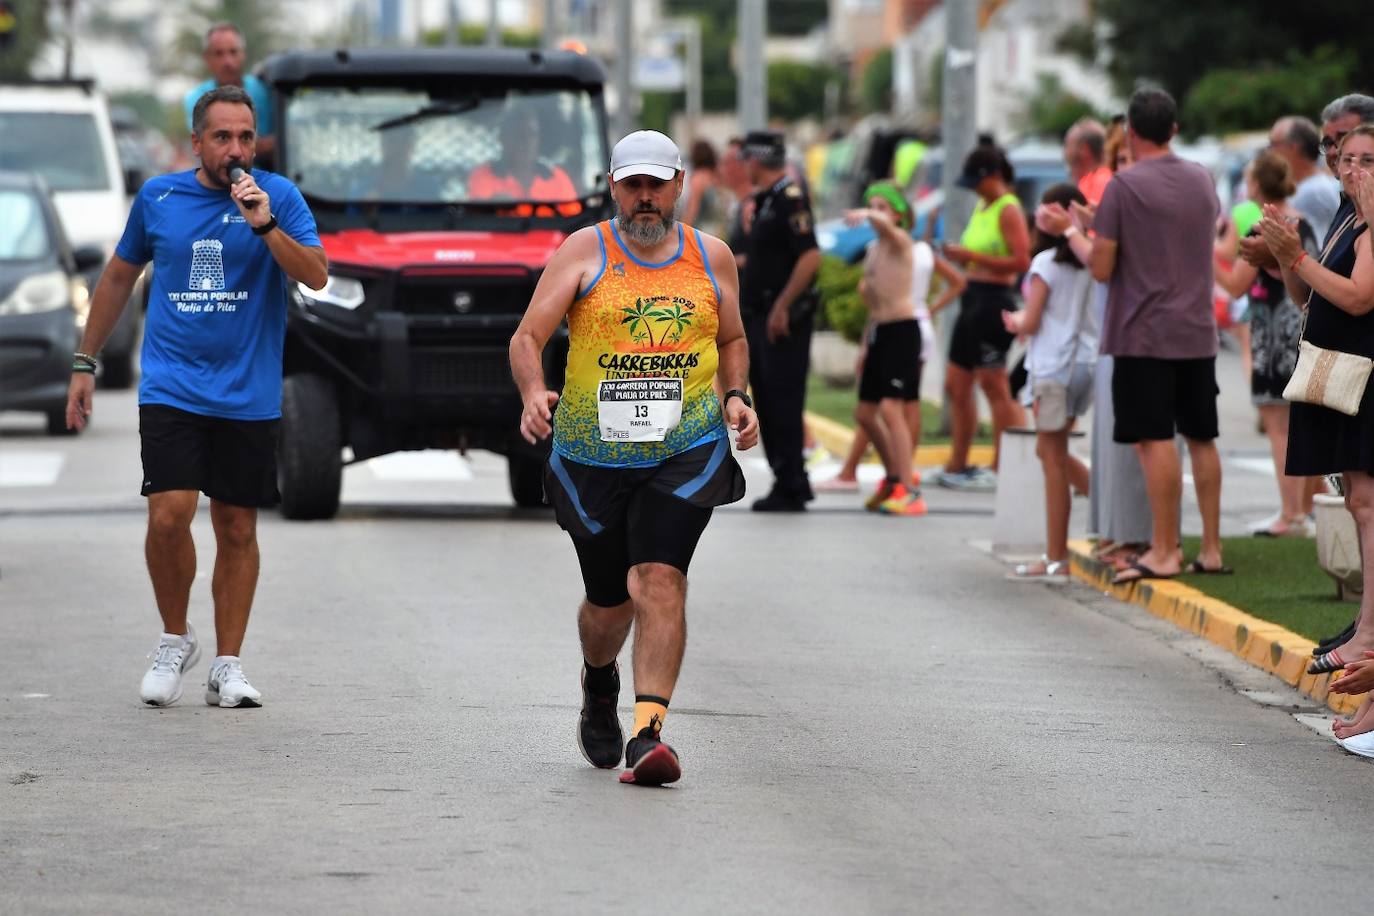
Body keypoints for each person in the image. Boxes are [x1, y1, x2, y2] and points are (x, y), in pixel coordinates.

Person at [508, 130, 758, 786]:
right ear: (614, 188)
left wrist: (736, 396)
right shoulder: (584, 251)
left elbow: (731, 336)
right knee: (608, 602)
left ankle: (648, 734)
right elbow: (529, 335)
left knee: (657, 579)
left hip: (685, 447)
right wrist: (535, 391)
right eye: (632, 185)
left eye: (657, 184)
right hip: (593, 454)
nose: (645, 198)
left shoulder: (713, 257)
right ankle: (598, 681)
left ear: (679, 185)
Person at [66, 86, 327, 707]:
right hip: (173, 384)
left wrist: (263, 224)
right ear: (197, 143)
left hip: (247, 390)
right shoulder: (159, 197)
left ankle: (227, 666)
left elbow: (316, 274)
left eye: (244, 137)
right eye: (221, 137)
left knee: (236, 526)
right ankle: (174, 637)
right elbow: (118, 279)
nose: (234, 149)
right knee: (169, 513)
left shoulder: (278, 198)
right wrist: (85, 360)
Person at [1089, 87, 1226, 585]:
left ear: (1130, 131)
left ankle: (1165, 549)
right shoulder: (1201, 179)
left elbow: (1102, 267)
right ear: (1173, 129)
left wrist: (1084, 239)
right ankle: (1209, 548)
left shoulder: (1122, 187)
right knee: (1201, 436)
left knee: (1154, 438)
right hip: (1197, 329)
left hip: (1142, 332)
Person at [1259, 126, 1374, 688]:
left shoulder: (1372, 223)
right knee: (1358, 499)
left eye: (1367, 160)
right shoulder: (1348, 217)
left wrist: (1296, 255)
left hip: (1366, 376)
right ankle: (1366, 627)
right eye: (1345, 158)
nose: (1352, 169)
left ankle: (1369, 632)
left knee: (1368, 501)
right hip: (1341, 376)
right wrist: (1286, 256)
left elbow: (1358, 296)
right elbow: (1309, 295)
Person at [1041, 119, 1150, 571]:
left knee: (1126, 444)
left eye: (1128, 158)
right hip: (1106, 342)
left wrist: (1071, 230)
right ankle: (1113, 530)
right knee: (1109, 443)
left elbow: (1104, 264)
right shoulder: (1114, 198)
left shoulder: (1130, 199)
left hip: (1119, 341)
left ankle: (1129, 538)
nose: (1122, 168)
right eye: (1117, 160)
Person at [1214, 149, 1319, 537]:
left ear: (1255, 184)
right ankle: (1303, 510)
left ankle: (1290, 514)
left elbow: (1235, 284)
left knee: (1278, 427)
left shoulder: (1264, 225)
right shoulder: (1302, 221)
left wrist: (1205, 253)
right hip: (1301, 328)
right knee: (1299, 425)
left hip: (1272, 333)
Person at [937, 145, 1031, 490]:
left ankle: (1003, 464)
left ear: (992, 175)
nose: (974, 189)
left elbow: (1021, 261)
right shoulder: (983, 206)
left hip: (995, 301)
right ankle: (958, 462)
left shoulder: (1009, 209)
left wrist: (972, 255)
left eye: (978, 182)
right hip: (972, 299)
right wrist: (963, 259)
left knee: (994, 385)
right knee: (956, 384)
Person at [739, 129, 822, 511]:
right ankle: (787, 479)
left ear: (755, 160)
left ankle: (792, 482)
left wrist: (782, 305)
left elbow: (810, 257)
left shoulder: (790, 200)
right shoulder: (766, 200)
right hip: (761, 315)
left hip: (781, 320)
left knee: (783, 399)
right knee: (769, 399)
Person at [842, 182, 927, 516]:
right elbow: (874, 307)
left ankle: (910, 488)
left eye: (882, 206)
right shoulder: (875, 249)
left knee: (892, 410)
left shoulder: (902, 242)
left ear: (898, 214)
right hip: (880, 332)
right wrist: (865, 347)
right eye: (871, 204)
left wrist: (867, 212)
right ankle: (893, 478)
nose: (875, 212)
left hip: (903, 331)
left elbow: (886, 226)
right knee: (864, 413)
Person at [182, 23, 275, 163]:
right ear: (207, 58)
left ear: (243, 54)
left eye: (233, 52)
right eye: (219, 54)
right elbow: (207, 147)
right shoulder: (195, 99)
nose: (227, 61)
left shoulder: (264, 90)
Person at [467, 106, 580, 217]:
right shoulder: (484, 176)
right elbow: (479, 219)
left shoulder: (557, 178)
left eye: (531, 134)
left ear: (538, 139)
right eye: (518, 135)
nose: (526, 142)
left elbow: (574, 221)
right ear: (503, 138)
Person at [1269, 116, 1341, 234]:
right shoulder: (1315, 186)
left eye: (1273, 144)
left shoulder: (1313, 192)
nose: (1270, 152)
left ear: (1293, 147)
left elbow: (1315, 248)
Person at [1064, 117, 1112, 206]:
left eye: (1067, 145)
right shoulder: (1110, 179)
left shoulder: (1095, 185)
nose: (1064, 153)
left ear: (1084, 149)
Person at [680, 139, 722, 233]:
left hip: (703, 230)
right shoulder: (716, 176)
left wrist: (682, 232)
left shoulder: (698, 178)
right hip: (719, 228)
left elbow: (692, 209)